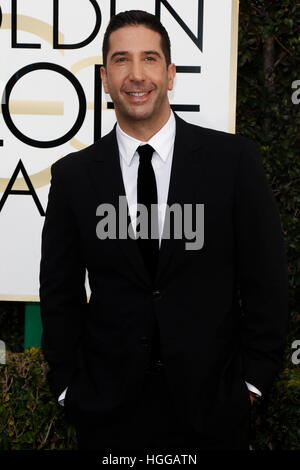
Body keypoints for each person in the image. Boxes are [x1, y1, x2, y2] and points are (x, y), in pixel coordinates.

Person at [39, 10, 288, 451]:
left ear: (170, 74)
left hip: (215, 409)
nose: (137, 75)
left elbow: (266, 281)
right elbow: (59, 292)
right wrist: (67, 386)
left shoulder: (233, 163)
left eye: (150, 59)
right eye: (121, 60)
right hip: (108, 413)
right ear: (104, 77)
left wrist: (252, 383)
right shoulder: (74, 176)